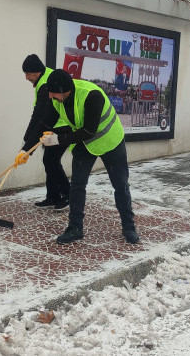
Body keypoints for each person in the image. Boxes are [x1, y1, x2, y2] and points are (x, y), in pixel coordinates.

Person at [41, 69, 139, 245]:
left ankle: (129, 227)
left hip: (110, 141)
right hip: (84, 144)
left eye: (53, 92)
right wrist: (28, 147)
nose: (50, 96)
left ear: (64, 90)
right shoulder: (57, 100)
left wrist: (57, 140)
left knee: (120, 184)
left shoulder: (92, 95)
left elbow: (89, 130)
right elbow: (46, 122)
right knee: (77, 185)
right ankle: (75, 228)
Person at [15, 54, 70, 210]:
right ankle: (53, 197)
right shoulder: (43, 81)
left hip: (61, 127)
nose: (26, 78)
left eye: (27, 73)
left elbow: (41, 119)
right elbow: (37, 115)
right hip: (51, 127)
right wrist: (26, 141)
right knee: (49, 161)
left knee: (51, 161)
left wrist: (27, 150)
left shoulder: (46, 84)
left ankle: (68, 195)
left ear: (37, 71)